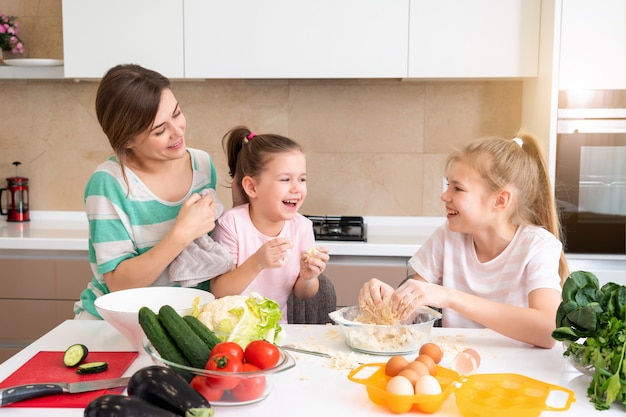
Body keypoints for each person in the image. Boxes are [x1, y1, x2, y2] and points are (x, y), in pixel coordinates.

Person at [359, 133, 569, 348]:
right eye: (448, 185)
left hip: (518, 370)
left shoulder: (537, 246)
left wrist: (449, 296)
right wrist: (388, 302)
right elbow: (408, 317)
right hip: (456, 363)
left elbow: (549, 331)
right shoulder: (447, 237)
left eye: (457, 188)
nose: (444, 196)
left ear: (500, 200)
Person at [73, 64, 221, 319]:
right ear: (128, 140)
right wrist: (181, 233)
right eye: (160, 130)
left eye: (177, 114)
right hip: (119, 321)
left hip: (187, 319)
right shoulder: (109, 183)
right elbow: (119, 285)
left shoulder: (203, 165)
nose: (177, 132)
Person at [209, 126, 330, 323]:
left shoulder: (302, 227)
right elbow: (220, 291)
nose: (297, 188)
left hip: (275, 333)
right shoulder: (231, 224)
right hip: (230, 332)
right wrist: (258, 262)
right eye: (285, 179)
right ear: (252, 187)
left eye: (302, 179)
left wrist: (308, 278)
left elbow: (304, 294)